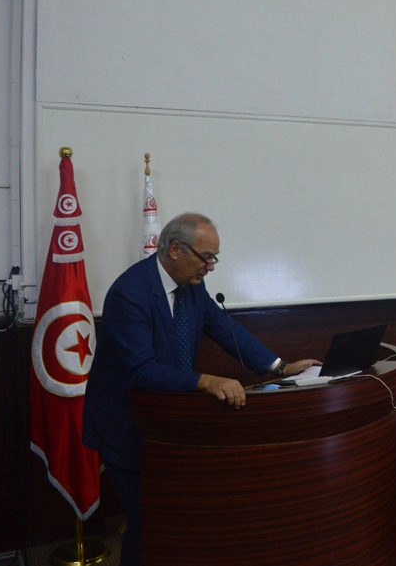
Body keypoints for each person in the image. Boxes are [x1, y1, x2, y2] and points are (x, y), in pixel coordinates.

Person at [83, 212, 321, 566]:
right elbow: (141, 371)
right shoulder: (129, 293)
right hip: (126, 426)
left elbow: (226, 329)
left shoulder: (192, 287)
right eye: (206, 257)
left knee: (175, 521)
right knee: (146, 524)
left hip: (170, 424)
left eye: (214, 258)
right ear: (175, 249)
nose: (210, 267)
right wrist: (207, 380)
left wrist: (280, 367)